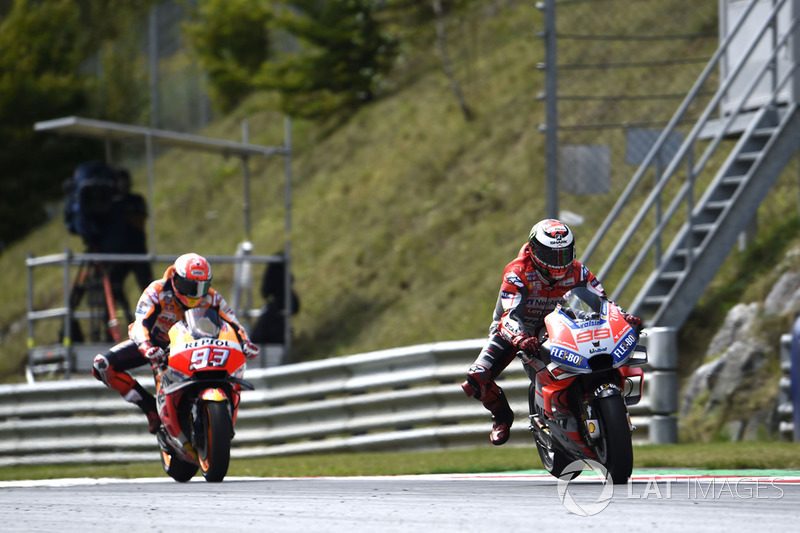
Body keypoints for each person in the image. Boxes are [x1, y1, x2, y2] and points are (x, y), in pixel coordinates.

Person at [461, 219, 643, 445]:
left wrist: (625, 317)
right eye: (550, 256)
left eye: (563, 255)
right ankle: (501, 416)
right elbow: (508, 316)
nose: (558, 263)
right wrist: (519, 337)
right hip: (516, 330)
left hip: (562, 326)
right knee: (476, 377)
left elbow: (603, 302)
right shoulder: (516, 273)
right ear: (534, 250)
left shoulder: (579, 271)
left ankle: (586, 405)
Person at [92, 253, 260, 433]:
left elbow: (233, 323)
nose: (195, 294)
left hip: (194, 344)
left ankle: (220, 411)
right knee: (102, 365)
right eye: (189, 286)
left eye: (201, 287)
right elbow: (140, 323)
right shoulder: (157, 291)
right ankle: (149, 407)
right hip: (155, 345)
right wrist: (147, 346)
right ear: (175, 279)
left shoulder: (212, 297)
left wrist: (245, 342)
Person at [103, 168, 154, 324]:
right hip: (118, 255)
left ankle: (153, 320)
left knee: (149, 289)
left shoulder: (136, 200)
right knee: (111, 286)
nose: (123, 184)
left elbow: (140, 221)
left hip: (138, 252)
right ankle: (114, 323)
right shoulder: (110, 204)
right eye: (120, 181)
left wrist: (123, 211)